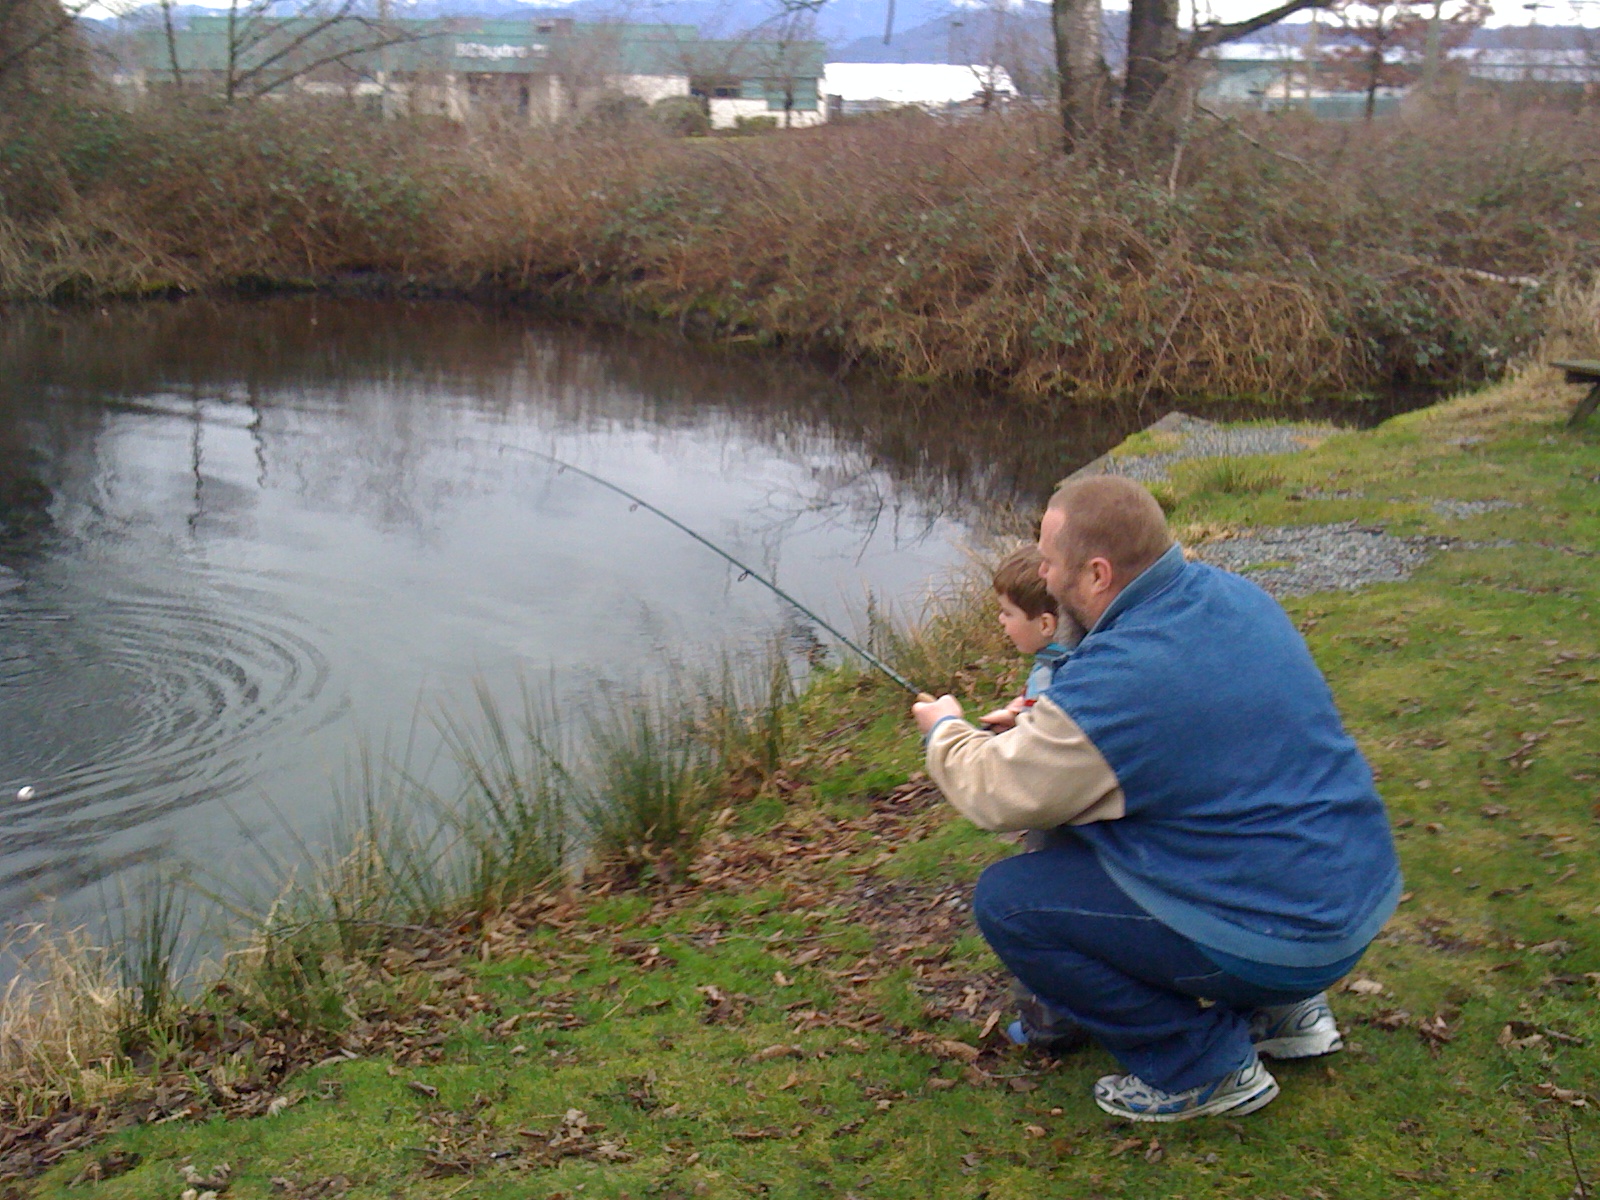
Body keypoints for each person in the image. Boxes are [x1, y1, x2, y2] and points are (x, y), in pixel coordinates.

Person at [911, 475, 1401, 1123]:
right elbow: (1180, 738)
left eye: (1052, 566)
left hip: (1285, 934)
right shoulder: (1232, 597)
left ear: (1096, 574)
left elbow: (996, 794)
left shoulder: (1127, 672)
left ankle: (1202, 1067)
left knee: (1010, 902)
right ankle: (1288, 1009)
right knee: (1120, 826)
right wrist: (1043, 724)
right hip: (1350, 894)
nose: (1046, 580)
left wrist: (947, 729)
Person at [978, 547, 1077, 732]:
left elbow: (1036, 738)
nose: (1001, 619)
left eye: (1008, 613)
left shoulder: (1047, 673)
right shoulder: (1078, 656)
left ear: (1045, 625)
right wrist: (1017, 717)